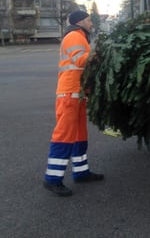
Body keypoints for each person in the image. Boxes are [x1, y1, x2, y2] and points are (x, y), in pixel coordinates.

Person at [43, 10, 104, 197]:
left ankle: (81, 172)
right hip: (69, 93)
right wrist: (102, 52)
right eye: (88, 20)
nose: (91, 24)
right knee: (64, 135)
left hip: (76, 93)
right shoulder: (74, 36)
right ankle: (52, 179)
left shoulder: (80, 37)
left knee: (79, 134)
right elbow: (81, 60)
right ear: (80, 22)